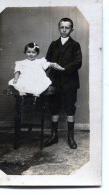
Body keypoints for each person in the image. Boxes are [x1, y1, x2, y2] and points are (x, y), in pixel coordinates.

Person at [44, 18, 82, 149]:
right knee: (54, 107)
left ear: (72, 29)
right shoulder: (53, 44)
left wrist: (64, 69)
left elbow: (78, 62)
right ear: (58, 28)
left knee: (69, 108)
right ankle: (53, 136)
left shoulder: (75, 45)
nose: (64, 30)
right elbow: (46, 61)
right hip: (54, 82)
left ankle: (70, 137)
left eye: (67, 27)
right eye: (62, 27)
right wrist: (47, 67)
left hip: (70, 82)